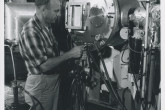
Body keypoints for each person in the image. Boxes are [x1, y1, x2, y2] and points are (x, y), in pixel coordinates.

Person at [19, 0, 83, 110]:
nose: (58, 15)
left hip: (52, 81)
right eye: (56, 11)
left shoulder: (47, 27)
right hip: (41, 84)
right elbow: (44, 65)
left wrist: (75, 54)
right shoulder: (31, 31)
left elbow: (55, 54)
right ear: (43, 10)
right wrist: (70, 54)